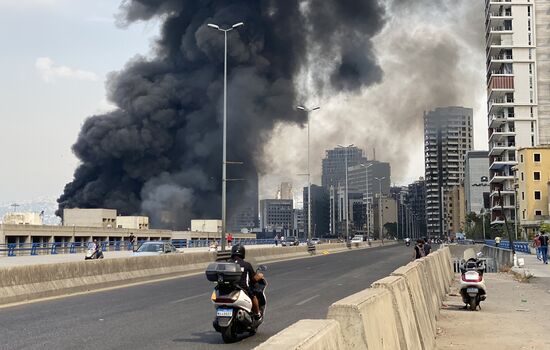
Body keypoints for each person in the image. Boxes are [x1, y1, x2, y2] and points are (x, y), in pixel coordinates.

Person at [231, 244, 264, 319]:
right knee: (254, 297)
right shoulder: (246, 264)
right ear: (243, 253)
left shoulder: (227, 264)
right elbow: (254, 278)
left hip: (229, 288)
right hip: (243, 288)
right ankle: (257, 314)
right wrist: (260, 276)